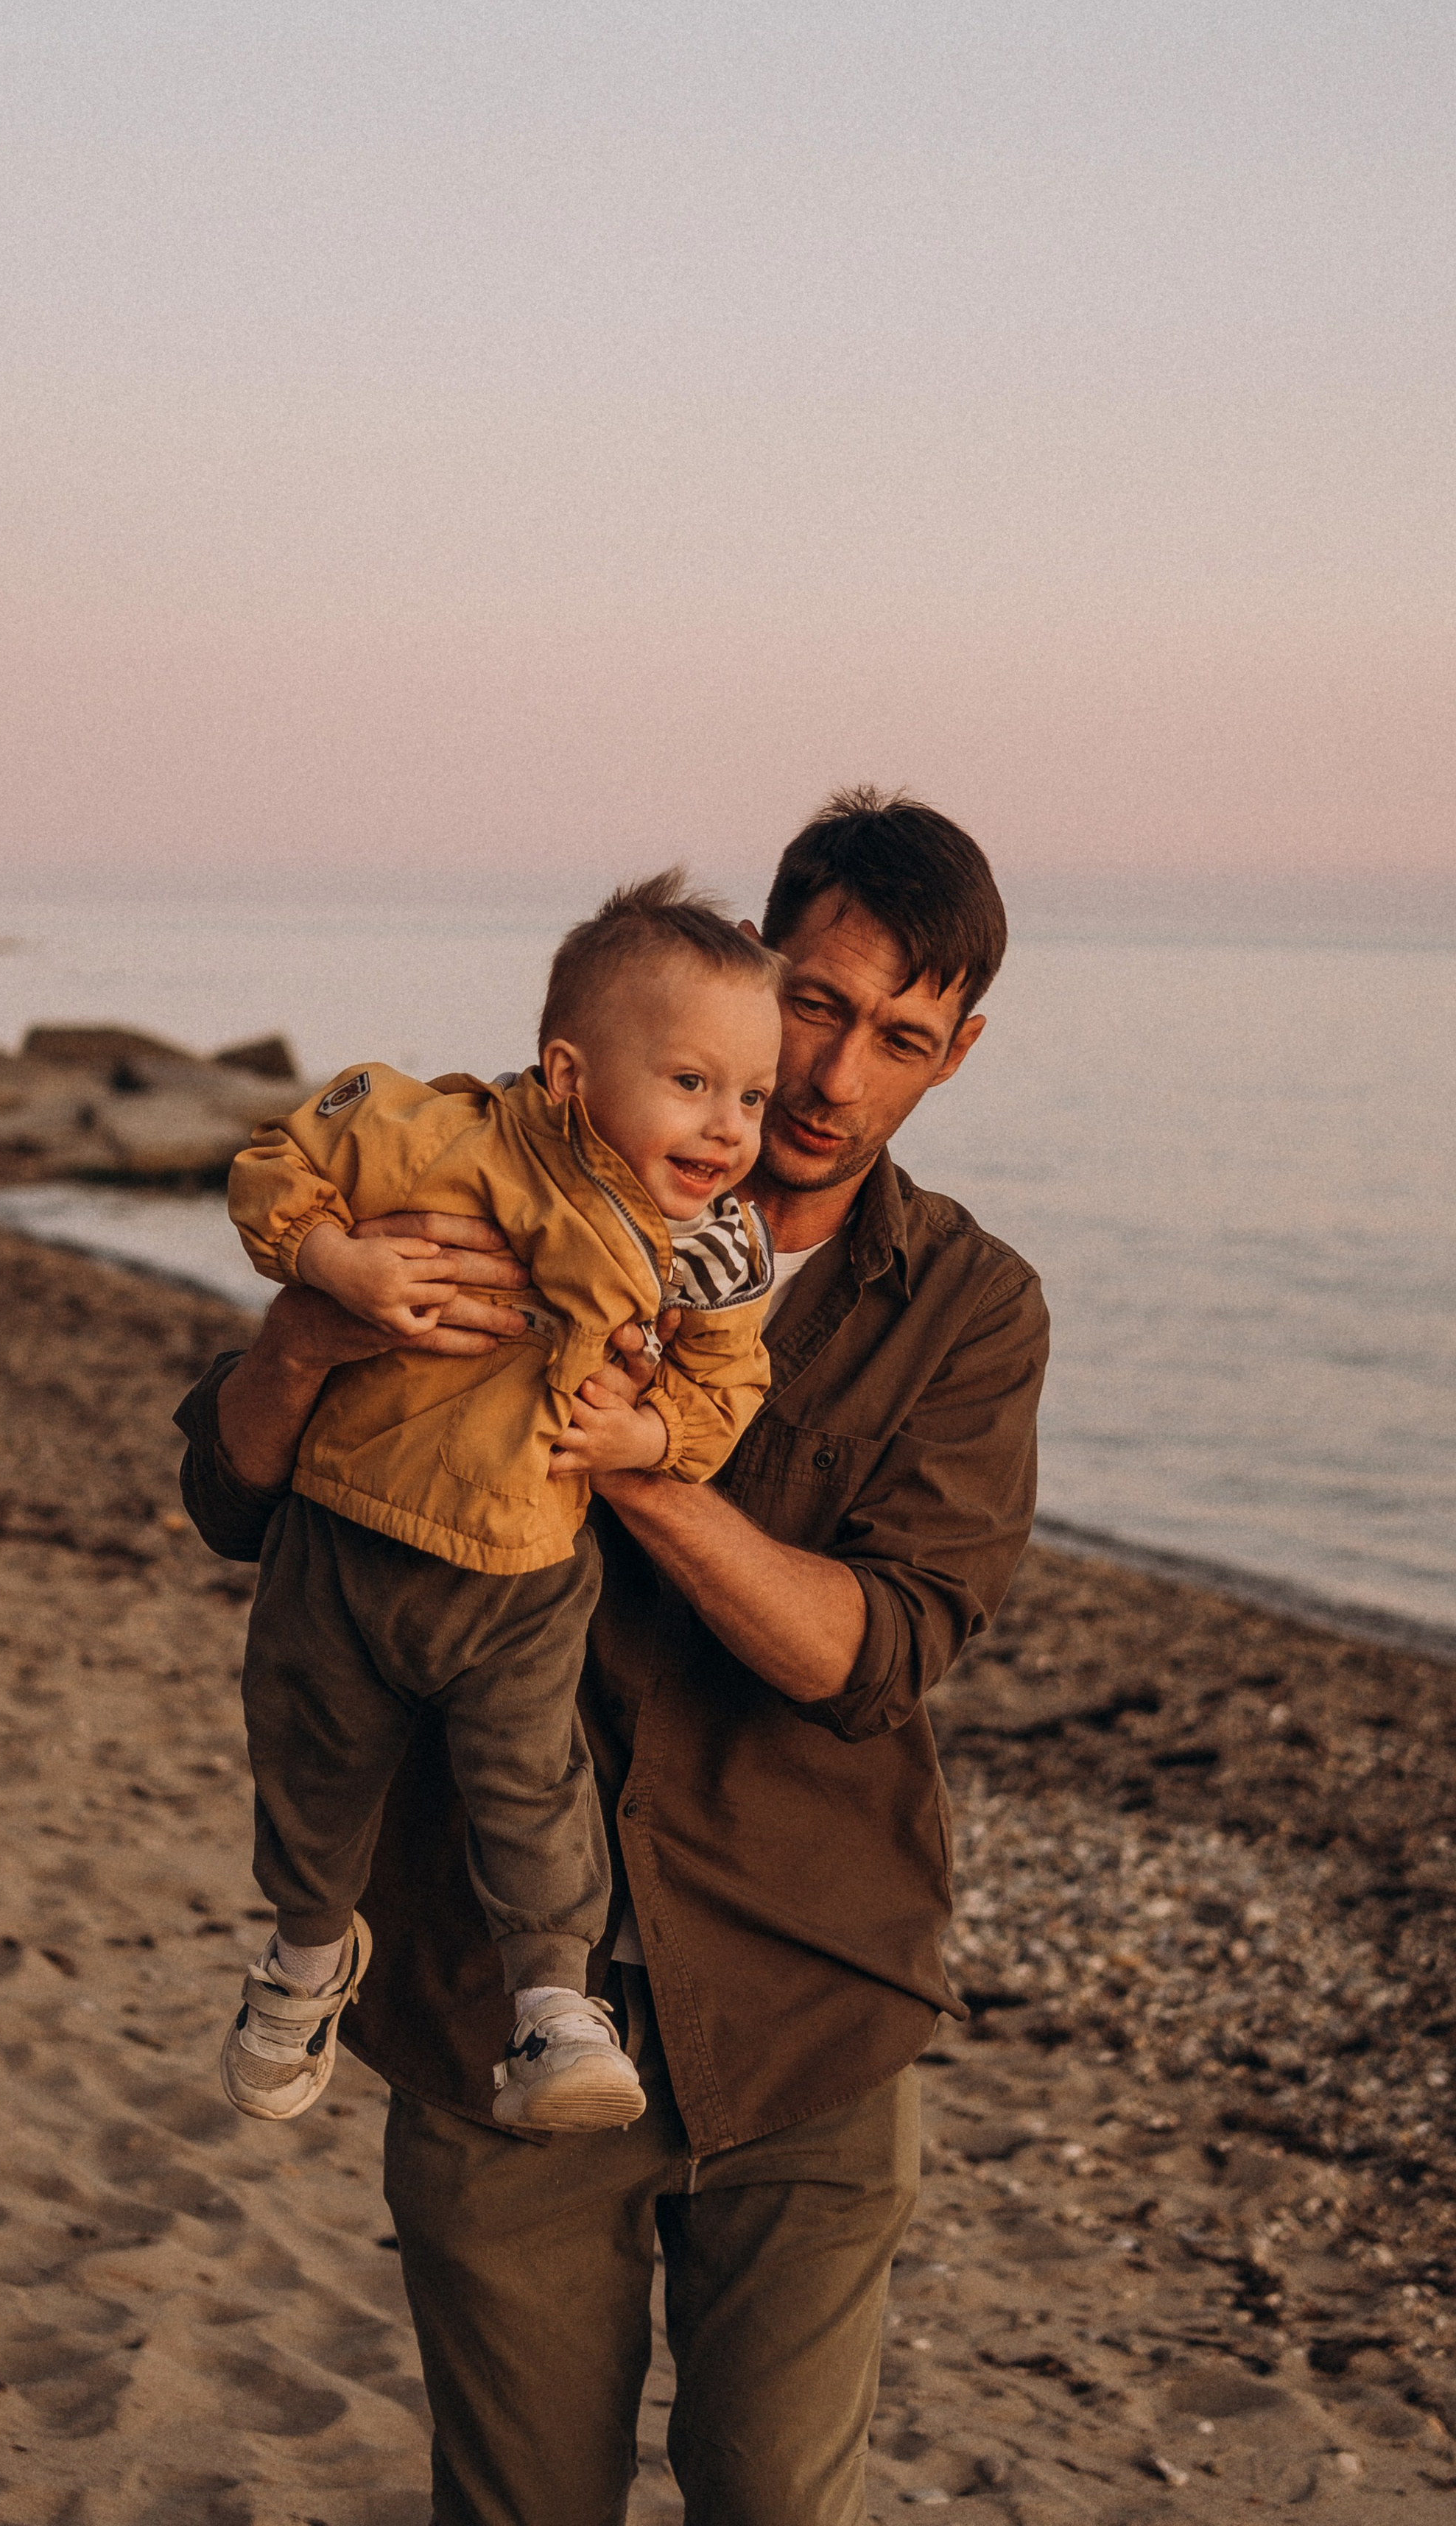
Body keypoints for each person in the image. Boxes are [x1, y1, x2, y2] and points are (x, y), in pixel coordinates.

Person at [175, 788, 1048, 2526]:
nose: (824, 1080)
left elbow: (873, 1656)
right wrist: (316, 1323)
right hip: (492, 2004)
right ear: (747, 967)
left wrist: (638, 1468)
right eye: (811, 1003)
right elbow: (229, 1494)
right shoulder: (497, 1174)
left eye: (898, 1038)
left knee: (773, 2506)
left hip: (803, 2010)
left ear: (950, 1058)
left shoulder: (967, 1308)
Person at [217, 876, 783, 2134]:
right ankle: (306, 1953)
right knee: (309, 1755)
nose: (731, 1126)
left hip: (524, 1568)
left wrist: (654, 1431)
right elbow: (274, 1160)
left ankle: (554, 2011)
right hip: (345, 1528)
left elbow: (728, 1377)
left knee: (533, 1783)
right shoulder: (436, 1133)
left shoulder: (712, 1242)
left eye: (753, 1094)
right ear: (571, 1073)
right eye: (692, 1083)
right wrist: (333, 1260)